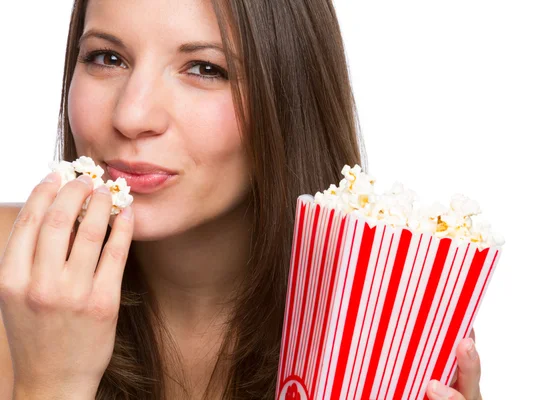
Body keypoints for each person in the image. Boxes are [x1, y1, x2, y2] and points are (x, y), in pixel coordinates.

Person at [0, 0, 484, 399]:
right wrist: (51, 385)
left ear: (291, 100)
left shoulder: (384, 318)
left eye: (205, 68)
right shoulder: (11, 272)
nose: (132, 115)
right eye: (107, 58)